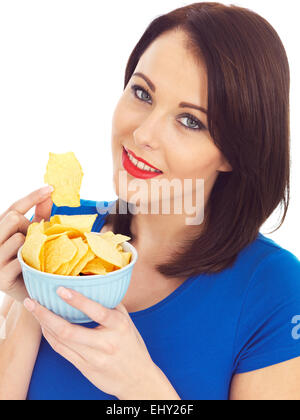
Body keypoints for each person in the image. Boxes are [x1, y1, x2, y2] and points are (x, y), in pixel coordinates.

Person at [1, 2, 300, 400]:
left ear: (234, 152)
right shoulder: (58, 233)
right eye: (142, 92)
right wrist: (35, 299)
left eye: (190, 120)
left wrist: (141, 386)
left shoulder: (274, 288)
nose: (143, 133)